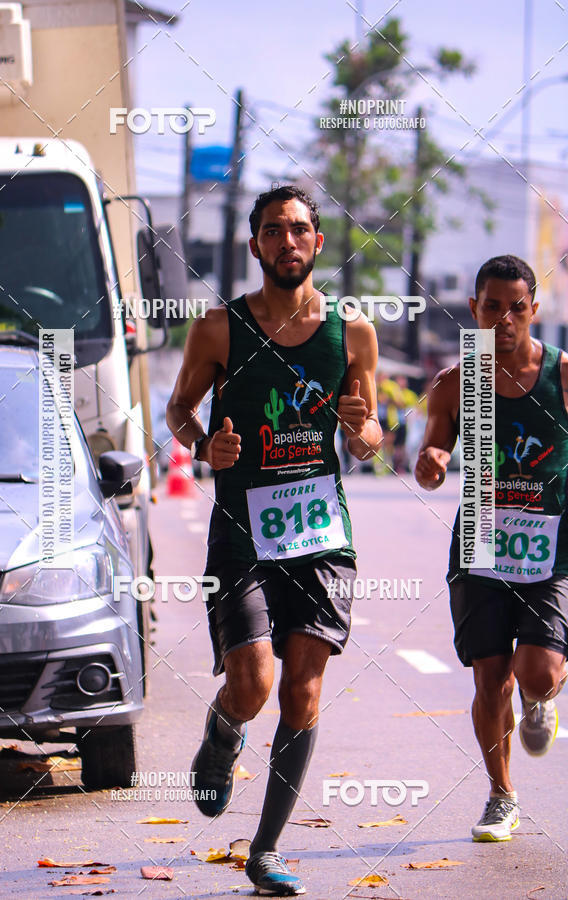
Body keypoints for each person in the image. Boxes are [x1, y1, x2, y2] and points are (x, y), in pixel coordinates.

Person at [166, 185, 381, 895]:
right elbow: (177, 411)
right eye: (272, 232)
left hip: (320, 536)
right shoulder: (218, 329)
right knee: (254, 682)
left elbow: (372, 435)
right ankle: (224, 733)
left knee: (304, 692)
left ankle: (264, 851)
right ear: (255, 246)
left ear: (318, 243)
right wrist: (205, 448)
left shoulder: (352, 332)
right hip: (243, 535)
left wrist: (360, 428)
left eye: (298, 230)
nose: (287, 242)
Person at [415, 254, 568, 842]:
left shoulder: (560, 375)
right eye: (492, 307)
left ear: (534, 309)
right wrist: (432, 463)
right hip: (479, 543)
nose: (504, 319)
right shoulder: (460, 382)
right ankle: (502, 796)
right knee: (490, 678)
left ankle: (542, 695)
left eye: (517, 308)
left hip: (550, 547)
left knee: (538, 670)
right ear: (474, 309)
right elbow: (433, 458)